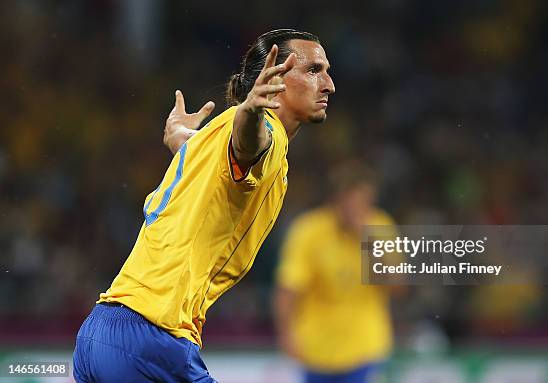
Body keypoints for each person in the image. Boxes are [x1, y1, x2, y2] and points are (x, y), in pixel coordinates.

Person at [73, 28, 335, 383]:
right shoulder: (264, 134)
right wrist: (253, 112)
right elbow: (248, 144)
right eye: (313, 70)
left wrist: (179, 136)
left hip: (99, 332)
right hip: (153, 337)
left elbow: (207, 160)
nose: (329, 84)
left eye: (327, 70)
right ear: (273, 79)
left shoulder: (211, 136)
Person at [274, 162, 395, 383]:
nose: (358, 210)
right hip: (316, 349)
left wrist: (368, 242)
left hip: (366, 347)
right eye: (352, 201)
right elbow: (289, 289)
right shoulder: (309, 230)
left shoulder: (380, 227)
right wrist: (286, 334)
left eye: (364, 203)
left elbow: (396, 285)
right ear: (337, 199)